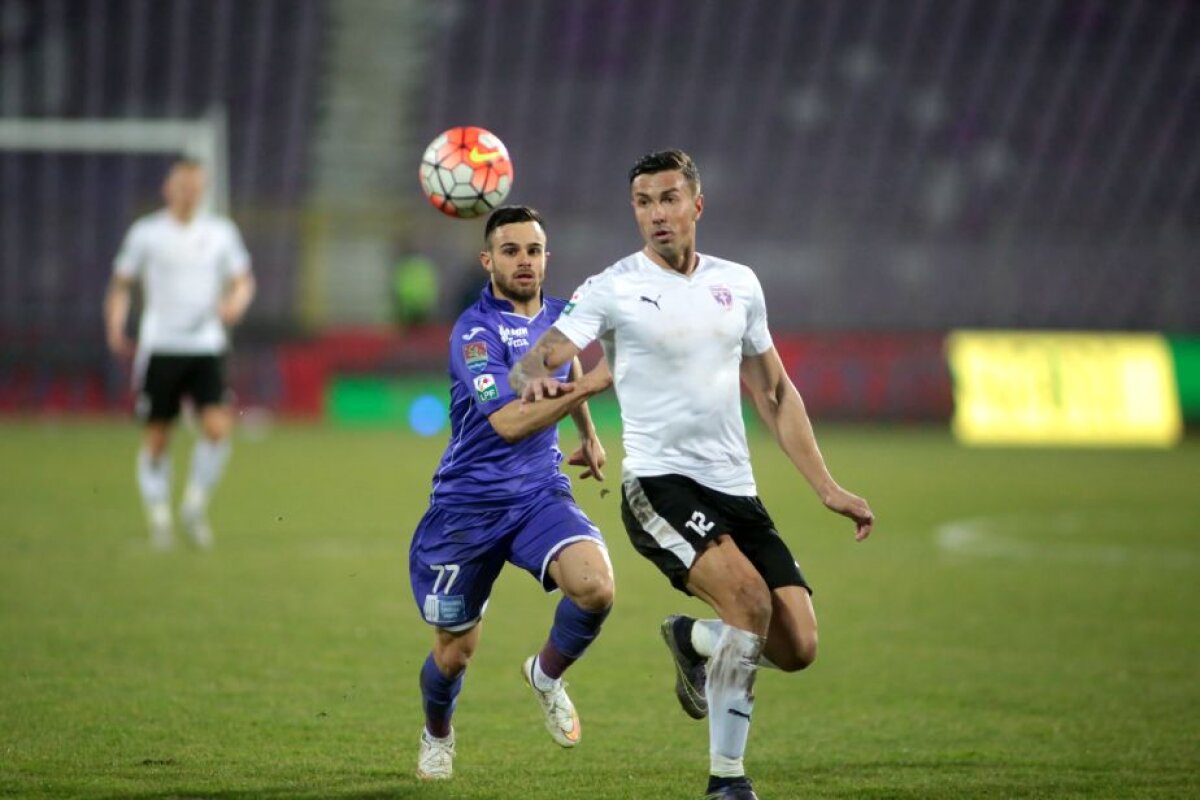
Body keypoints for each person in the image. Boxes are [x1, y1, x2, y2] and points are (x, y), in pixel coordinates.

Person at [510, 150, 875, 800]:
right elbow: (545, 353)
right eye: (644, 203)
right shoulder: (613, 286)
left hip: (735, 489)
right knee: (750, 604)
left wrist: (828, 488)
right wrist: (536, 372)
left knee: (798, 645)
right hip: (658, 485)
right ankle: (727, 783)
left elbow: (775, 393)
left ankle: (692, 638)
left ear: (697, 205)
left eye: (670, 199)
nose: (657, 214)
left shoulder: (739, 284)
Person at [409, 205, 615, 781]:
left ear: (546, 256)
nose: (524, 260)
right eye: (510, 250)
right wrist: (598, 383)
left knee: (595, 587)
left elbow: (566, 368)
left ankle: (545, 675)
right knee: (454, 654)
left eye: (533, 250)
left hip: (537, 493)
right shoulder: (474, 333)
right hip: (468, 506)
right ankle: (437, 733)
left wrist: (590, 437)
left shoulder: (560, 315)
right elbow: (507, 423)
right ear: (488, 260)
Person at [104, 159, 255, 550]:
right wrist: (116, 326)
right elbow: (121, 284)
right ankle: (159, 517)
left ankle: (193, 506)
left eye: (195, 186)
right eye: (182, 185)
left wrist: (236, 303)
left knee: (218, 429)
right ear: (168, 190)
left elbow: (243, 280)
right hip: (160, 347)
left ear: (203, 190)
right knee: (157, 437)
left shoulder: (220, 232)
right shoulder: (147, 233)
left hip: (206, 345)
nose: (189, 192)